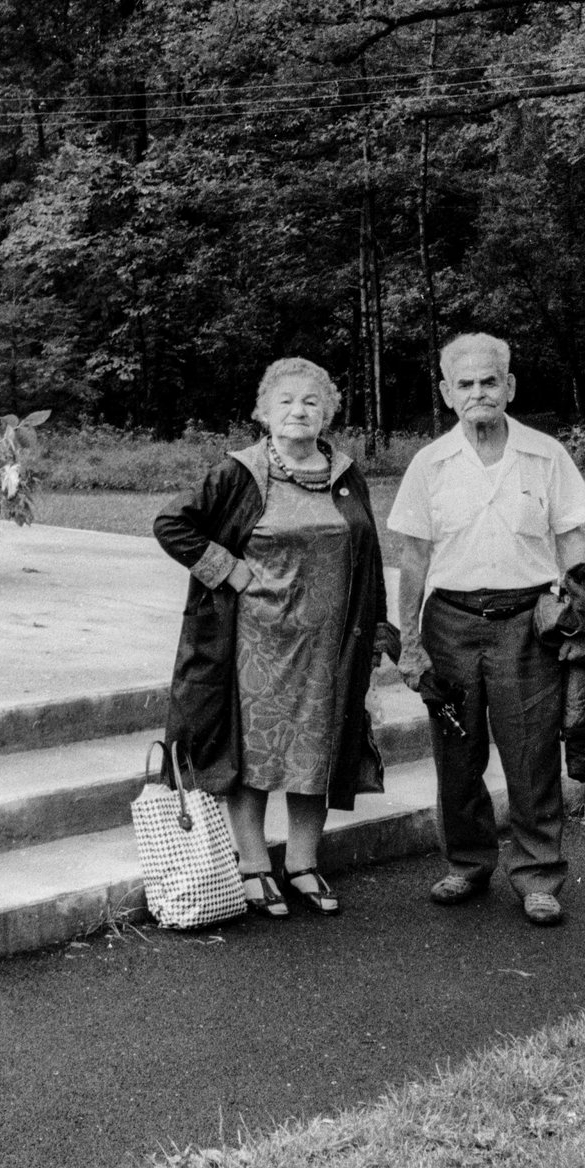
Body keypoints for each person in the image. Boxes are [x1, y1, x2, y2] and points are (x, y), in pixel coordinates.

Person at [154, 359, 397, 918]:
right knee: (253, 753)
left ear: (327, 412)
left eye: (311, 401)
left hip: (329, 647)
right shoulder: (237, 473)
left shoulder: (344, 473)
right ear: (263, 411)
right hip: (253, 646)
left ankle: (304, 863)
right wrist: (225, 567)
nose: (298, 411)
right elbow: (172, 524)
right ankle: (253, 864)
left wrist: (378, 633)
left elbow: (370, 555)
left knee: (318, 749)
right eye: (285, 401)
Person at [385, 332, 585, 926]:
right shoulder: (430, 463)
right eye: (465, 383)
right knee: (458, 755)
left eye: (489, 381)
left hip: (527, 625)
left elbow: (572, 538)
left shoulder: (546, 454)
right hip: (450, 624)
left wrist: (577, 608)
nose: (478, 392)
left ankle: (537, 874)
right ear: (447, 393)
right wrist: (410, 643)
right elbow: (413, 559)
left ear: (509, 386)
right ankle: (468, 862)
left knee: (530, 753)